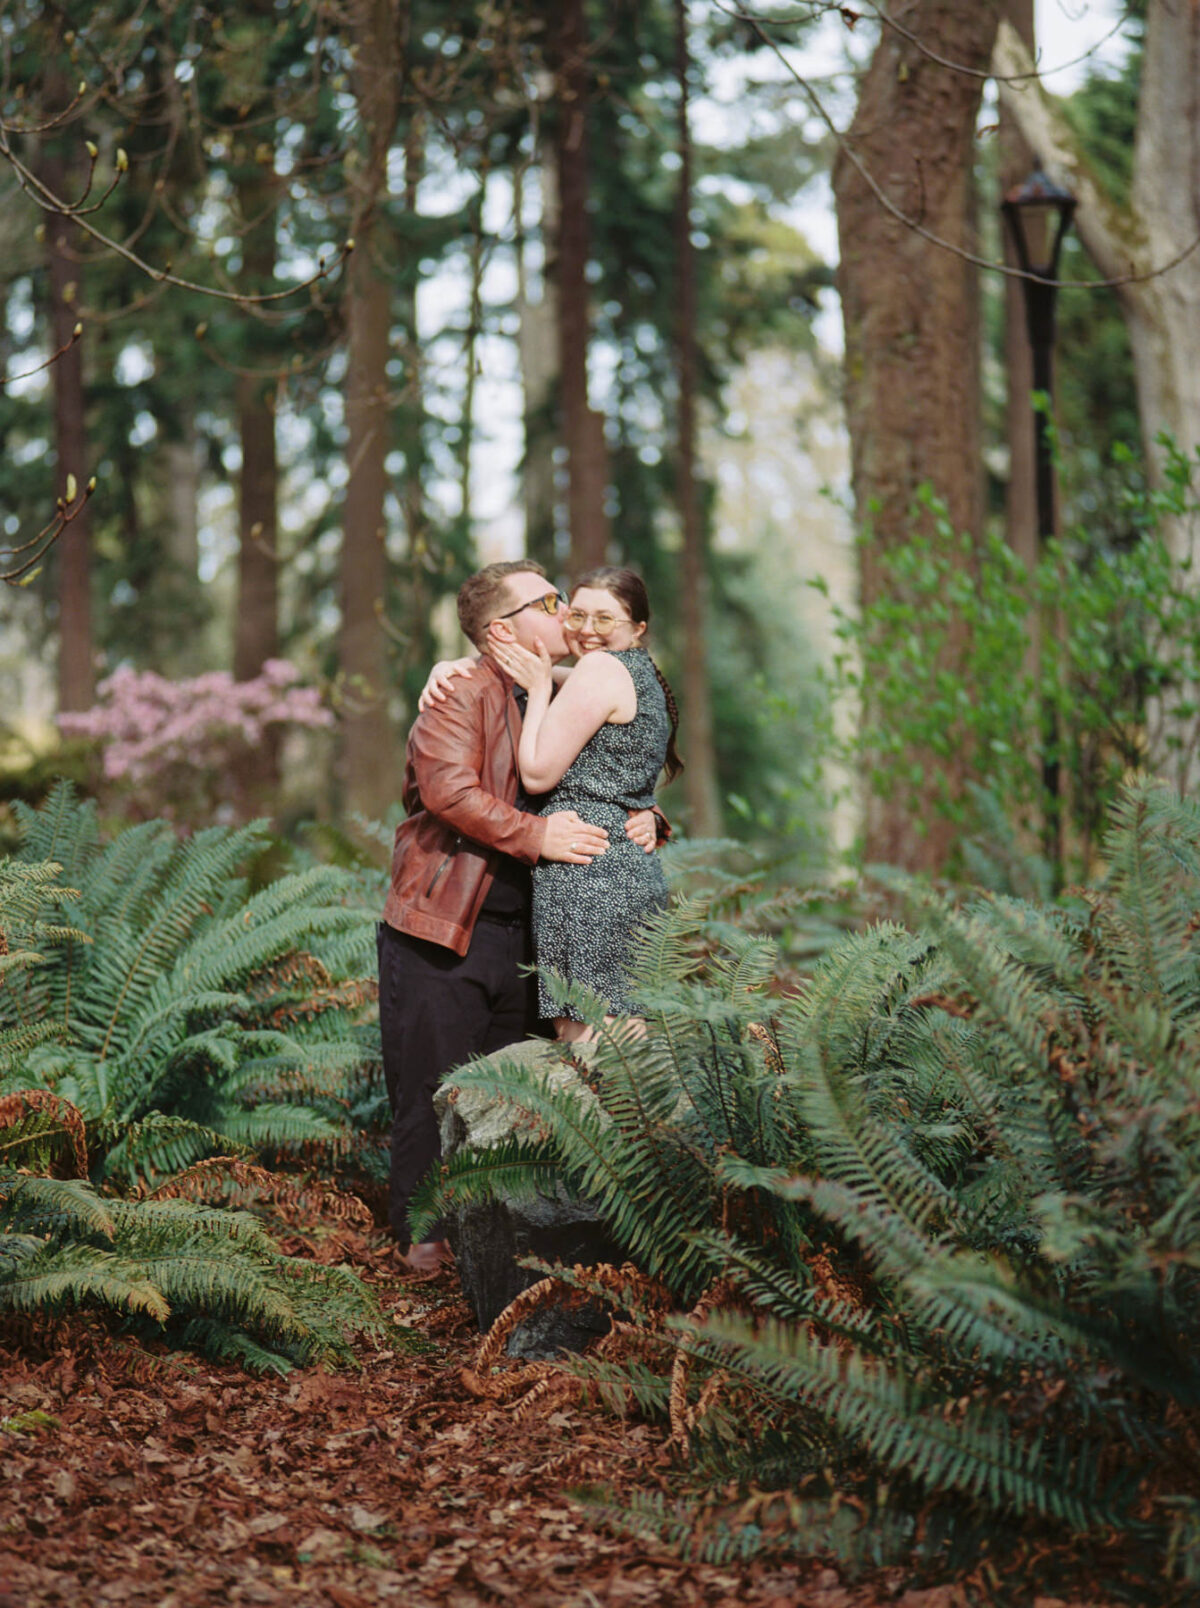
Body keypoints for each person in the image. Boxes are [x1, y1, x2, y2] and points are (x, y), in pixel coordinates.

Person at [378, 560, 660, 1273]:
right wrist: (538, 836)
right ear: (503, 629)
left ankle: (503, 1252)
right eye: (550, 601)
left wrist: (650, 815)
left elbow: (611, 767)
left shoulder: (561, 689)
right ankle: (426, 1247)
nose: (568, 611)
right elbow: (448, 792)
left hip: (534, 933)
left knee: (518, 1095)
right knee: (431, 1088)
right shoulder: (457, 693)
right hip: (446, 926)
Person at [488, 566, 683, 1042]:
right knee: (630, 1047)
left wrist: (536, 693)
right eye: (576, 615)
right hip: (625, 869)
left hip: (588, 872)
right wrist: (452, 666)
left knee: (592, 1042)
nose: (587, 631)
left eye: (605, 619)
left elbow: (536, 773)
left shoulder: (598, 670)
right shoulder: (642, 675)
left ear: (637, 628)